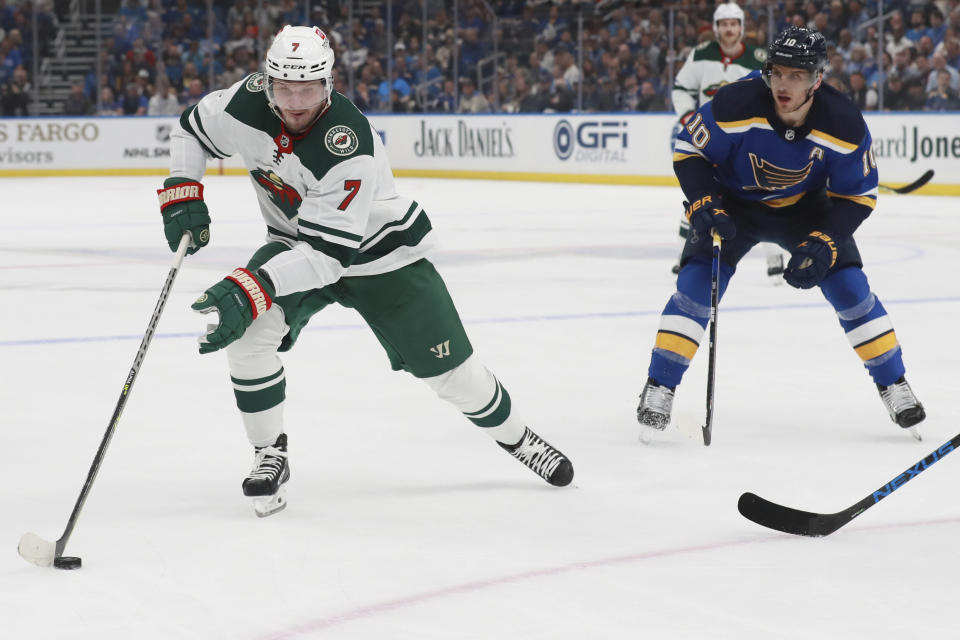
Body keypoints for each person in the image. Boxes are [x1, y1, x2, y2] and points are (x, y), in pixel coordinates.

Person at [157, 25, 574, 517]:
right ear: (267, 82)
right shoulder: (244, 103)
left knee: (455, 377)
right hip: (293, 245)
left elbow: (329, 258)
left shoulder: (349, 143)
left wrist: (255, 285)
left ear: (328, 84)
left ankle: (518, 438)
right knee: (249, 339)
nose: (294, 102)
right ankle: (269, 452)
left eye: (307, 89)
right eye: (284, 89)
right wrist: (182, 187)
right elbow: (190, 129)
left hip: (377, 257)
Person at [637, 26, 925, 442]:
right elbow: (689, 152)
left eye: (796, 75)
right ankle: (660, 385)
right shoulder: (736, 102)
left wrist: (826, 243)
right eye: (777, 72)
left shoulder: (843, 123)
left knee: (849, 287)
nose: (783, 84)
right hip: (733, 203)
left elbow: (858, 197)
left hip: (804, 208)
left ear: (817, 80)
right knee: (697, 285)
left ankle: (893, 383)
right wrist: (703, 201)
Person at [669, 3, 784, 281]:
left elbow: (774, 94)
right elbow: (681, 88)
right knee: (700, 196)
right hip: (708, 141)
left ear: (741, 27)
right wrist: (688, 118)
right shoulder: (700, 55)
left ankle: (775, 257)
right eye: (724, 24)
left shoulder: (758, 58)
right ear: (716, 27)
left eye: (734, 24)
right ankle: (684, 256)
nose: (729, 29)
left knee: (761, 194)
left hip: (747, 143)